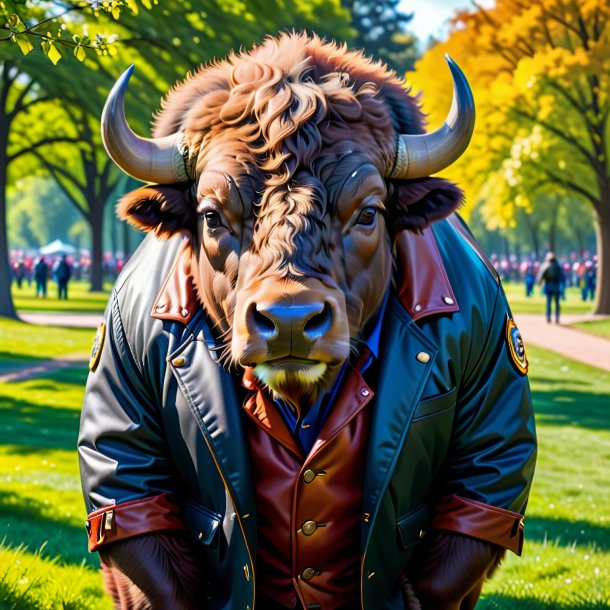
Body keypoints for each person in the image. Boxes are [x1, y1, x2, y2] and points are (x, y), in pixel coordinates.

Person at [78, 34, 536, 610]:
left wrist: (427, 597)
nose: (289, 294)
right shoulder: (143, 311)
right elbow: (122, 477)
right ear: (178, 222)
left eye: (364, 214)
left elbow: (493, 466)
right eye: (217, 216)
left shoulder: (463, 300)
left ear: (407, 215)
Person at [537, 251, 564, 323]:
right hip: (556, 285)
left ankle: (548, 317)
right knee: (557, 303)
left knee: (548, 302)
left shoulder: (545, 265)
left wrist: (539, 283)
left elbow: (541, 275)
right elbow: (562, 276)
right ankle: (557, 317)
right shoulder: (558, 266)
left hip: (548, 285)